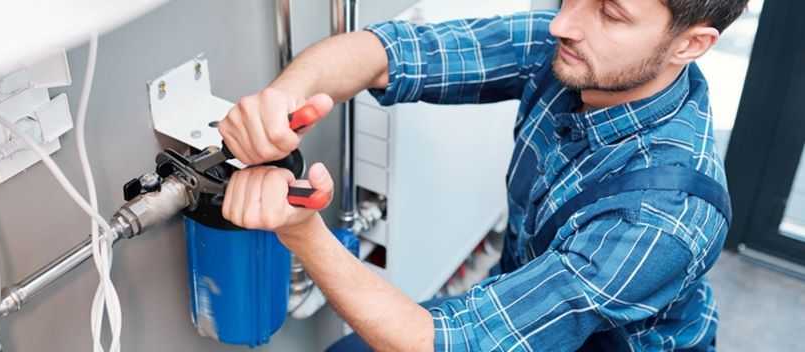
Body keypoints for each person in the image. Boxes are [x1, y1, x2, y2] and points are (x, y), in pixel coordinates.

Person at [216, 0, 748, 350]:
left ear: (691, 45)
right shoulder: (570, 47)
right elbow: (389, 53)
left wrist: (302, 232)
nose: (564, 22)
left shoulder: (667, 216)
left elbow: (447, 345)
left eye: (610, 11)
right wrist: (283, 100)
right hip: (519, 304)